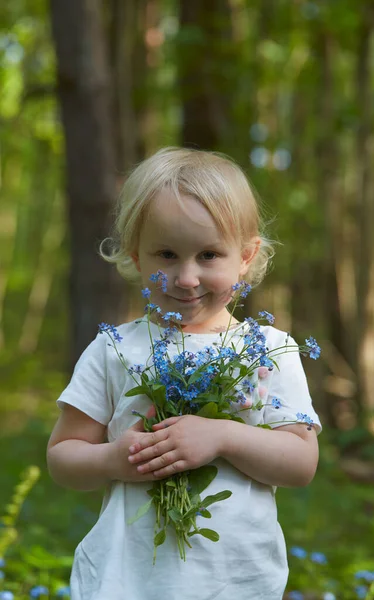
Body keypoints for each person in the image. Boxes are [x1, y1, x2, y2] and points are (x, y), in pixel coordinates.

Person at [47, 147, 321, 600]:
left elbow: (300, 462)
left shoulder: (271, 350)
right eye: (167, 254)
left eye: (210, 255)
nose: (187, 277)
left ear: (246, 256)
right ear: (136, 256)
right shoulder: (115, 348)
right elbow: (63, 456)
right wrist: (114, 459)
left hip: (237, 581)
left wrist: (222, 436)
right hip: (125, 580)